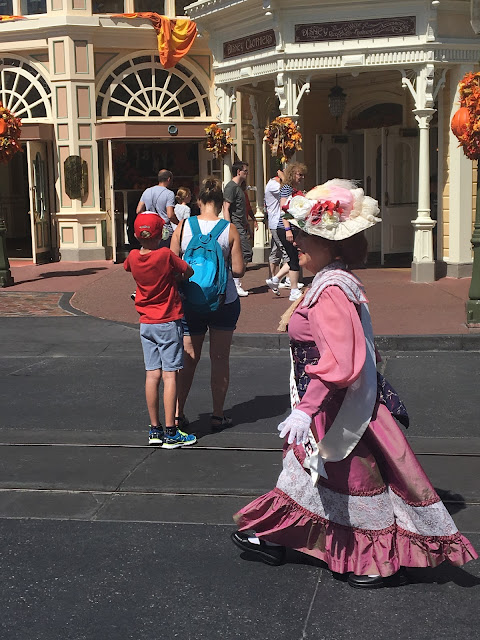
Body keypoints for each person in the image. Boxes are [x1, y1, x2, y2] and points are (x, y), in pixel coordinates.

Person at [230, 179, 477, 587]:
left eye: (310, 236)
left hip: (337, 407)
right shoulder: (333, 280)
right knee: (314, 478)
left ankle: (369, 560)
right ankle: (280, 538)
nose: (299, 241)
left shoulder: (330, 290)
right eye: (302, 233)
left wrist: (305, 409)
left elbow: (340, 361)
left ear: (335, 245)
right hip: (331, 402)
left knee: (349, 479)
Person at [171, 177, 245, 431]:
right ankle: (217, 414)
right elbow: (238, 270)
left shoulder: (183, 227)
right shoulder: (229, 229)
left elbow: (171, 264)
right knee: (220, 357)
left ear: (199, 201)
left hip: (190, 301)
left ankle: (178, 414)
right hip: (224, 301)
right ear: (217, 202)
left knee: (189, 358)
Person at [124, 213, 197, 449]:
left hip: (146, 322)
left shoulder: (133, 256)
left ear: (136, 235)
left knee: (151, 374)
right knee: (170, 375)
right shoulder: (165, 255)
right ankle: (172, 431)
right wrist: (174, 277)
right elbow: (188, 271)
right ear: (161, 235)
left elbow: (129, 267)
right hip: (167, 320)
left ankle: (154, 429)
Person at [266, 162, 307, 301]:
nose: (301, 177)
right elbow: (284, 209)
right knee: (294, 258)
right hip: (285, 228)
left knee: (293, 257)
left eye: (303, 175)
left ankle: (276, 279)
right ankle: (294, 290)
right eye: (299, 174)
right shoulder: (287, 189)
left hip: (289, 227)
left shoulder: (291, 189)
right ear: (292, 174)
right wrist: (288, 229)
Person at [223, 161, 252, 297]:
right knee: (245, 252)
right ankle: (235, 283)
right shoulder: (231, 187)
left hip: (241, 224)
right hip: (235, 225)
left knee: (243, 253)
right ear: (238, 171)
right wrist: (229, 227)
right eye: (245, 171)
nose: (247, 173)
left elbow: (242, 208)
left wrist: (248, 226)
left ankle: (234, 282)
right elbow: (226, 207)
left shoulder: (239, 188)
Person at [137, 169, 178, 246]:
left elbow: (139, 210)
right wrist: (178, 224)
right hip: (164, 231)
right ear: (169, 179)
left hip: (150, 229)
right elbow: (170, 215)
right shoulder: (169, 194)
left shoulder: (147, 191)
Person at [264, 171, 289, 295]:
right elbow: (287, 189)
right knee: (286, 251)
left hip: (275, 222)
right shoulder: (273, 185)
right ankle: (287, 279)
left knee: (276, 251)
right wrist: (285, 177)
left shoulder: (273, 184)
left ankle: (273, 278)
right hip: (277, 223)